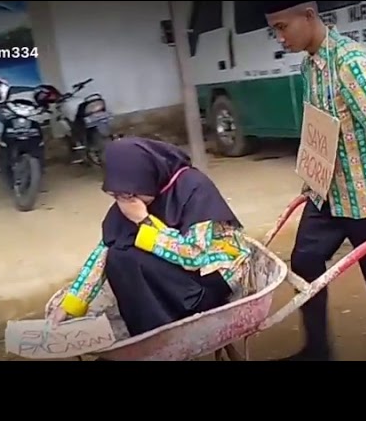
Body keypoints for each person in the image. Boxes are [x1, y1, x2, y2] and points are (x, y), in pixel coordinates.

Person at [262, 1, 366, 361]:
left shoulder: (350, 63)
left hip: (365, 196)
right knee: (305, 259)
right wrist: (310, 180)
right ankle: (317, 350)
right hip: (326, 195)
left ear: (308, 16)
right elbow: (319, 128)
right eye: (273, 29)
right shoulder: (309, 65)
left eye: (281, 26)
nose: (279, 37)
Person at [45, 136, 252, 337]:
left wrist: (144, 221)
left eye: (128, 195)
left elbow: (194, 257)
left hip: (209, 284)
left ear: (145, 178)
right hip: (173, 284)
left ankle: (161, 334)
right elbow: (105, 250)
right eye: (116, 196)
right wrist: (70, 305)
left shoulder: (194, 189)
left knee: (128, 257)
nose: (124, 203)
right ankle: (151, 335)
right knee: (119, 255)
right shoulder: (132, 197)